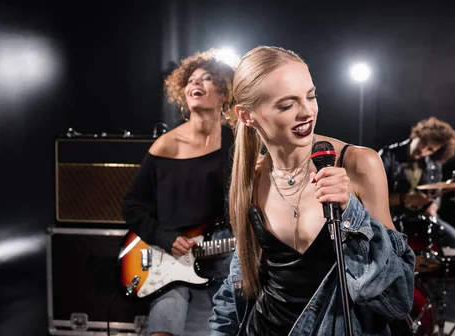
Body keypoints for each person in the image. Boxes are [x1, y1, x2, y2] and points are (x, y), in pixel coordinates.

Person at [209, 46, 415, 336]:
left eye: (311, 95)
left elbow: (399, 295)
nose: (307, 112)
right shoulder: (252, 178)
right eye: (286, 105)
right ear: (246, 115)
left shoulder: (357, 164)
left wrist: (351, 213)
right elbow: (238, 286)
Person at [122, 49, 236, 336]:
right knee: (165, 322)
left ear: (224, 93)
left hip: (225, 248)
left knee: (231, 319)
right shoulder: (165, 146)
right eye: (191, 80)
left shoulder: (237, 141)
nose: (195, 83)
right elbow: (132, 205)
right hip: (171, 254)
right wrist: (166, 238)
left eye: (207, 78)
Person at [378, 117, 455, 335]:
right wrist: (404, 199)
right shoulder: (387, 155)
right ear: (415, 135)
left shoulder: (433, 164)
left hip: (424, 223)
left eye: (431, 149)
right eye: (423, 144)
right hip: (392, 221)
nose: (425, 151)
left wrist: (433, 207)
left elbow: (435, 197)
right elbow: (372, 196)